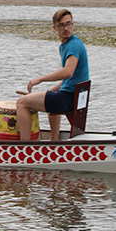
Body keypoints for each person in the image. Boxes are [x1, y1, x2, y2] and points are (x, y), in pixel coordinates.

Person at [15, 9, 90, 141]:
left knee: (22, 103)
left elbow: (68, 72)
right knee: (50, 97)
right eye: (61, 25)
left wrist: (40, 79)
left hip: (69, 98)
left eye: (69, 24)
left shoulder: (73, 45)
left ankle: (24, 147)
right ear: (55, 28)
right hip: (73, 95)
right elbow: (70, 79)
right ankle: (54, 140)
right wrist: (50, 91)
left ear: (73, 24)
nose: (66, 28)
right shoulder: (66, 45)